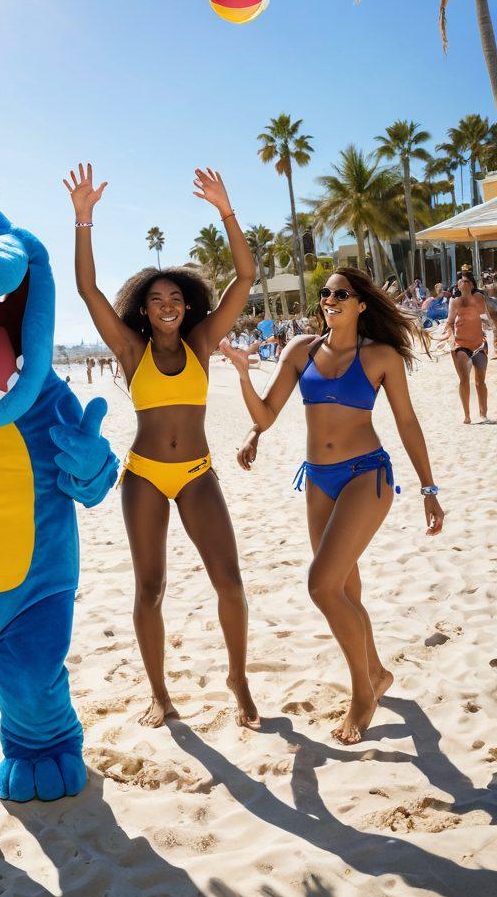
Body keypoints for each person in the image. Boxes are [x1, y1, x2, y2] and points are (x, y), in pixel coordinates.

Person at [64, 162, 259, 728]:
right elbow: (87, 289)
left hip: (198, 473)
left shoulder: (201, 341)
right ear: (144, 311)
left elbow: (244, 279)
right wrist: (84, 221)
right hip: (146, 476)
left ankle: (238, 680)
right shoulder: (129, 351)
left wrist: (226, 210)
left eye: (175, 295)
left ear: (186, 304)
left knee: (230, 581)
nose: (167, 303)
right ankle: (159, 693)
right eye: (156, 299)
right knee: (150, 587)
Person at [220, 268, 443, 744]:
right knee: (344, 590)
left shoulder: (381, 356)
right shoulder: (300, 350)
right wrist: (243, 379)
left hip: (367, 475)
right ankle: (377, 672)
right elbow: (265, 413)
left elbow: (406, 422)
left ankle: (364, 695)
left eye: (341, 293)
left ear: (361, 303)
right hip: (318, 480)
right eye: (325, 293)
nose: (329, 299)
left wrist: (429, 489)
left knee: (322, 586)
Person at [439, 270, 497, 423]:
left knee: (481, 382)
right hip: (461, 345)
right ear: (457, 285)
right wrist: (449, 337)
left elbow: (486, 318)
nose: (464, 284)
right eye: (461, 282)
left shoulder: (479, 298)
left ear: (472, 284)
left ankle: (483, 414)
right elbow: (449, 322)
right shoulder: (455, 301)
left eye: (467, 282)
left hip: (479, 345)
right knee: (464, 380)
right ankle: (467, 415)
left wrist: (491, 335)